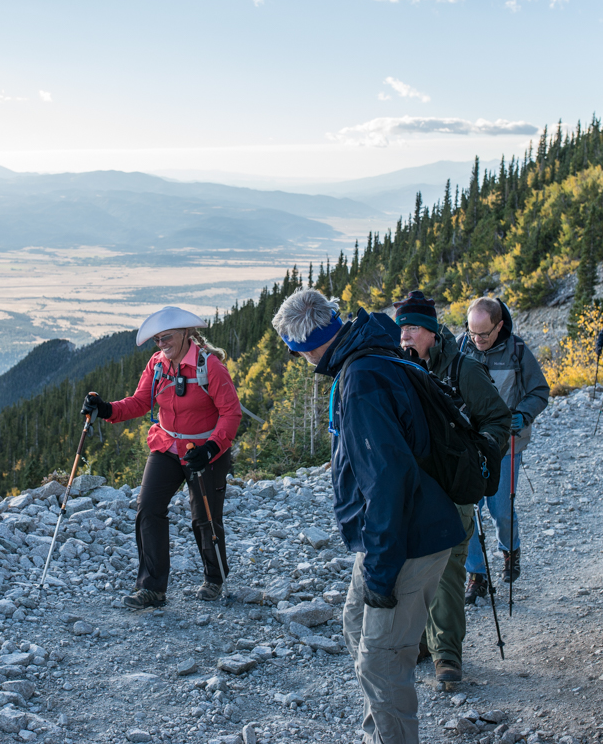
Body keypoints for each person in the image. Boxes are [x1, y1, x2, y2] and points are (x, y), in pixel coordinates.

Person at [272, 289, 463, 743]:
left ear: (303, 347)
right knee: (357, 625)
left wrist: (381, 572)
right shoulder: (372, 352)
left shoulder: (360, 379)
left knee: (381, 661)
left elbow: (388, 481)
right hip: (398, 531)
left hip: (406, 539)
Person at [81, 306, 242, 609]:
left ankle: (214, 578)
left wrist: (210, 448)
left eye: (166, 338)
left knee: (204, 517)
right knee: (148, 508)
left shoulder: (211, 367)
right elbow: (141, 402)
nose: (161, 345)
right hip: (167, 445)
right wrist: (105, 409)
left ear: (185, 334)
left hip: (204, 451)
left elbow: (230, 413)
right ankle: (152, 589)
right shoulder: (157, 364)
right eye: (157, 340)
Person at [389, 291, 510, 689]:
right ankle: (421, 642)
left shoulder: (463, 369)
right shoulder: (395, 367)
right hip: (412, 486)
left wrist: (481, 461)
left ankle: (447, 656)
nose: (404, 335)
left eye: (411, 328)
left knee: (447, 569)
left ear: (430, 331)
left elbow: (497, 418)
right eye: (401, 327)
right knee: (410, 566)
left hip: (454, 486)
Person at [458, 297, 549, 604]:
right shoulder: (461, 347)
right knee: (469, 510)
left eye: (484, 334)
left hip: (507, 445)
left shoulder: (518, 351)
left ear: (499, 326)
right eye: (472, 333)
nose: (477, 340)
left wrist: (523, 414)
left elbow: (539, 391)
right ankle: (477, 574)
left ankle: (511, 550)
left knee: (500, 510)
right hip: (468, 444)